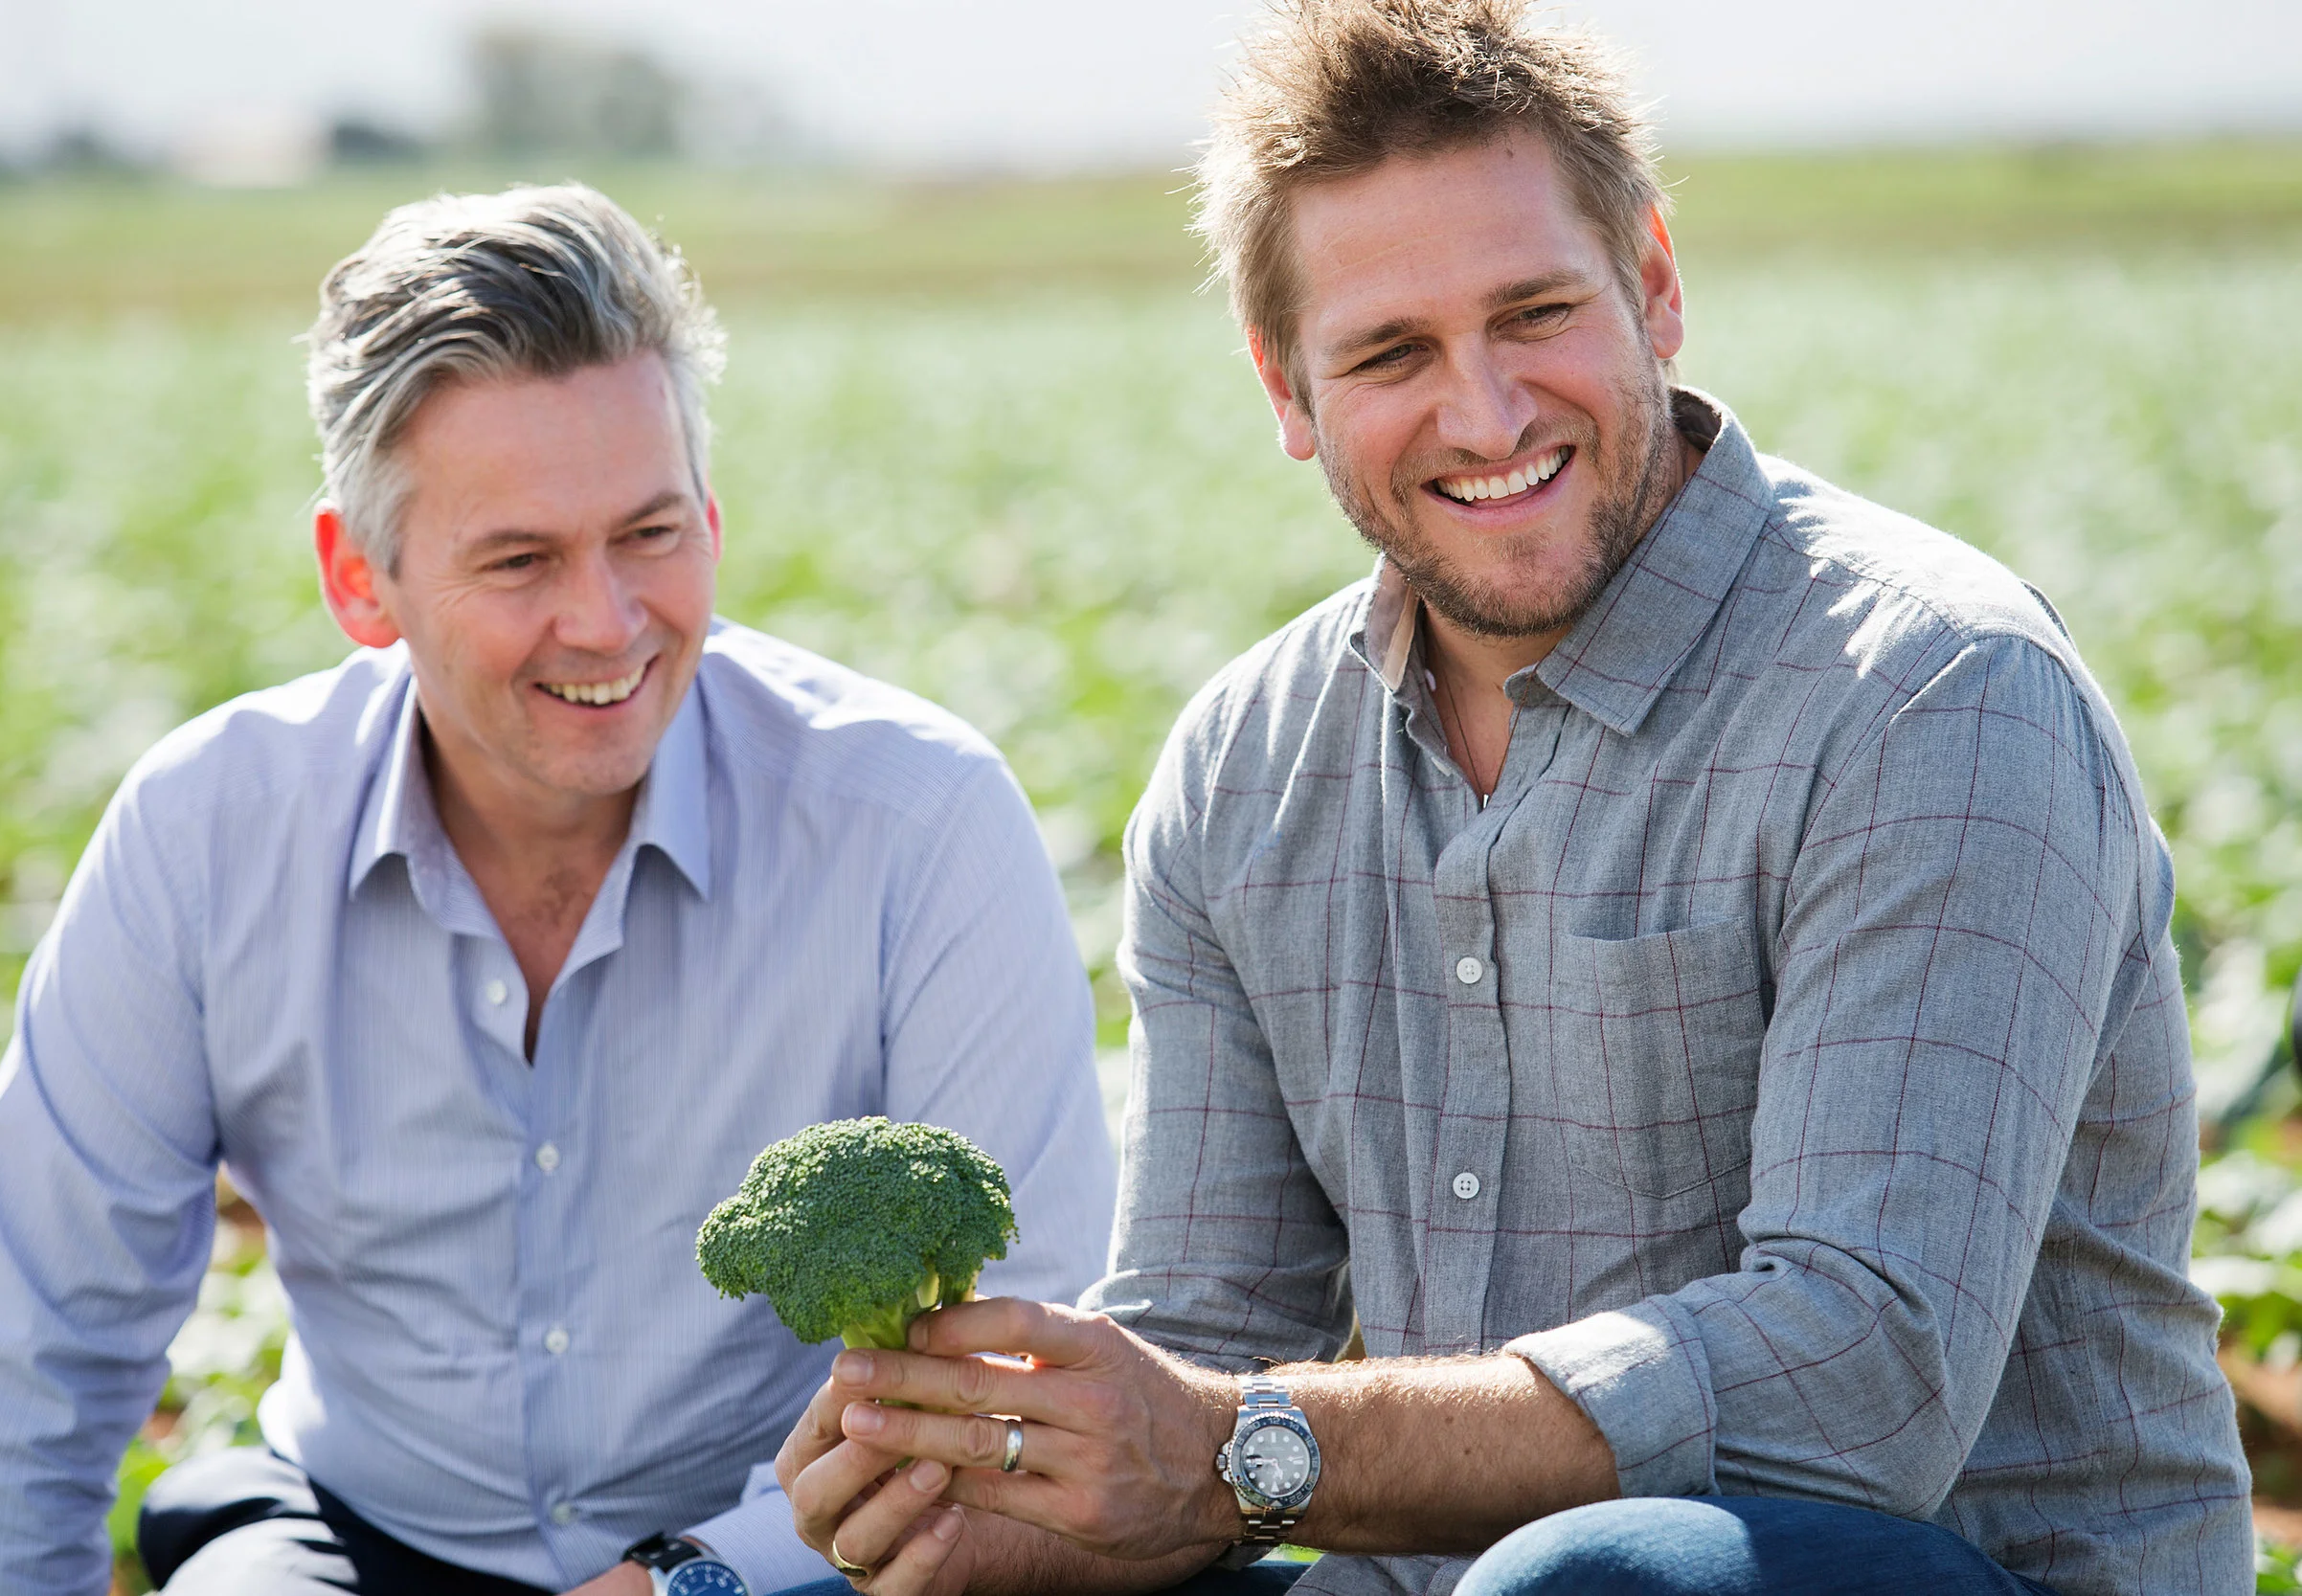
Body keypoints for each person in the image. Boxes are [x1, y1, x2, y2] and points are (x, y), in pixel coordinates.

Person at [770, 4, 2252, 1594]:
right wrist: (996, 1503)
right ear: (1286, 388)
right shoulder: (1244, 769)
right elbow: (1203, 1343)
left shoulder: (1932, 694)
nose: (1484, 415)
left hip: (1946, 1569)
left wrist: (1234, 1451)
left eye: (1535, 312)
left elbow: (1859, 1382)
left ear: (1656, 284)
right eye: (1391, 352)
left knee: (1603, 1581)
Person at [0, 184, 1116, 1596]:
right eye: (521, 559)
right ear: (363, 579)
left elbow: (1020, 1375)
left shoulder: (919, 823)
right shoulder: (203, 834)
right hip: (354, 1534)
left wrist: (689, 1578)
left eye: (651, 533)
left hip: (780, 1558)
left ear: (713, 517)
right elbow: (29, 1357)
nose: (606, 621)